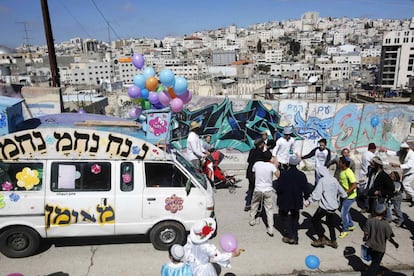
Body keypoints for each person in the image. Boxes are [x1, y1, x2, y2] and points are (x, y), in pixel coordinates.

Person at [304, 166, 348, 249]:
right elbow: (342, 193)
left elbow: (316, 195)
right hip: (333, 206)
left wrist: (308, 201)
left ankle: (321, 239)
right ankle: (333, 241)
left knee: (315, 220)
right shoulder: (334, 179)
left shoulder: (322, 181)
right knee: (330, 223)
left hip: (325, 206)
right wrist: (342, 197)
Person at [274, 155, 311, 244]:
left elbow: (279, 187)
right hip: (296, 200)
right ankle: (295, 236)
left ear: (289, 164)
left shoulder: (283, 174)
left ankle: (290, 235)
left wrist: (278, 194)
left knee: (283, 216)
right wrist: (307, 198)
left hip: (285, 199)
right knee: (295, 218)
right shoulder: (302, 175)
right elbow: (306, 188)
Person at [363, 203, 399, 276]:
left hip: (370, 246)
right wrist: (395, 244)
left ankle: (376, 273)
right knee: (375, 265)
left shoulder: (369, 221)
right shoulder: (385, 224)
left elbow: (366, 233)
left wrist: (365, 239)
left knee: (374, 262)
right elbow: (389, 238)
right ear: (384, 212)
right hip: (380, 248)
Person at [249, 151, 279, 237]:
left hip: (258, 188)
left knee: (254, 204)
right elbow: (278, 175)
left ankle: (252, 220)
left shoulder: (256, 164)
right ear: (270, 158)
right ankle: (270, 228)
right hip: (268, 189)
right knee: (269, 209)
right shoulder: (271, 166)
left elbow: (254, 175)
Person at [338, 156, 358, 239]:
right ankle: (350, 224)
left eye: (339, 162)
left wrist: (347, 192)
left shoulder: (348, 172)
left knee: (343, 212)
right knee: (345, 210)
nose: (338, 163)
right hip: (343, 196)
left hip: (349, 197)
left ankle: (345, 230)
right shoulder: (342, 171)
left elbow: (354, 184)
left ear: (343, 164)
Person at [390, 142, 414, 207]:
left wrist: (398, 165)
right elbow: (395, 153)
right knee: (405, 185)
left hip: (410, 172)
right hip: (406, 172)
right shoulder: (403, 153)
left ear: (406, 149)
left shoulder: (411, 155)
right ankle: (410, 198)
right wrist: (386, 151)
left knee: (405, 185)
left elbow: (409, 165)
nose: (401, 150)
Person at [245, 138, 266, 212]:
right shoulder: (261, 153)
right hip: (257, 173)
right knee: (259, 189)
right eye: (263, 144)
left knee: (251, 188)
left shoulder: (252, 151)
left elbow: (248, 160)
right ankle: (258, 206)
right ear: (260, 145)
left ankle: (248, 203)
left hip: (250, 172)